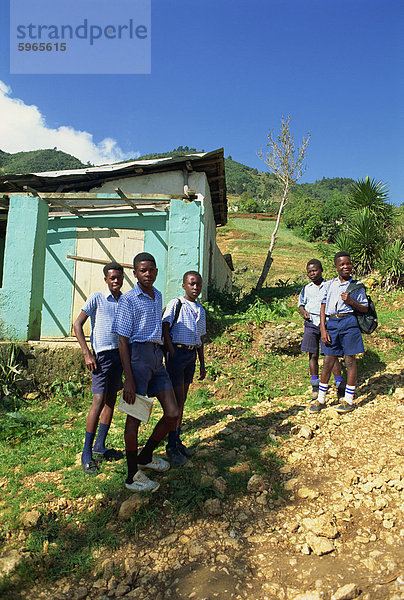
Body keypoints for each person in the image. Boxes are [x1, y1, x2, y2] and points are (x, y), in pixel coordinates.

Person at [113, 252, 180, 493]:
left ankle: (146, 455)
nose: (148, 274)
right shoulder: (129, 299)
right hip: (138, 359)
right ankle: (132, 476)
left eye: (151, 270)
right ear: (135, 273)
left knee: (172, 413)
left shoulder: (157, 296)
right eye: (143, 270)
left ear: (156, 272)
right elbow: (122, 340)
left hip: (156, 358)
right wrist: (128, 379)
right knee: (135, 417)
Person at [74, 262, 125, 475]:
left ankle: (100, 446)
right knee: (98, 400)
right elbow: (77, 325)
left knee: (111, 399)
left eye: (119, 277)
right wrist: (87, 353)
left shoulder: (124, 300)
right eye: (112, 277)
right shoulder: (97, 298)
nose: (116, 281)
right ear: (106, 279)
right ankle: (87, 453)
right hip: (101, 356)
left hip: (119, 355)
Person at [310, 251, 368, 414]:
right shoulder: (329, 285)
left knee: (350, 360)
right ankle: (321, 399)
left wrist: (350, 301)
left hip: (349, 322)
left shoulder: (357, 286)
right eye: (342, 264)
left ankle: (348, 400)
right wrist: (323, 329)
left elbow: (365, 308)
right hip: (332, 323)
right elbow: (322, 308)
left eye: (348, 263)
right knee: (328, 360)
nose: (346, 267)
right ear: (336, 267)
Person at [162, 271, 206, 463]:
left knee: (183, 400)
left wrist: (202, 364)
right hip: (177, 354)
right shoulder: (176, 304)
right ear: (184, 285)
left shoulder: (200, 310)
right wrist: (171, 352)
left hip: (190, 356)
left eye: (198, 285)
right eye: (191, 284)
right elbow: (165, 327)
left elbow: (200, 339)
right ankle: (171, 446)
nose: (195, 288)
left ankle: (177, 439)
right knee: (177, 400)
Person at [298, 259, 344, 400]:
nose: (312, 273)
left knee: (331, 355)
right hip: (311, 324)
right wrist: (304, 312)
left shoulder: (330, 286)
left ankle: (339, 384)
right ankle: (315, 385)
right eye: (309, 272)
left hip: (328, 324)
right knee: (313, 355)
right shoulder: (307, 288)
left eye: (315, 270)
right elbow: (301, 304)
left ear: (321, 270)